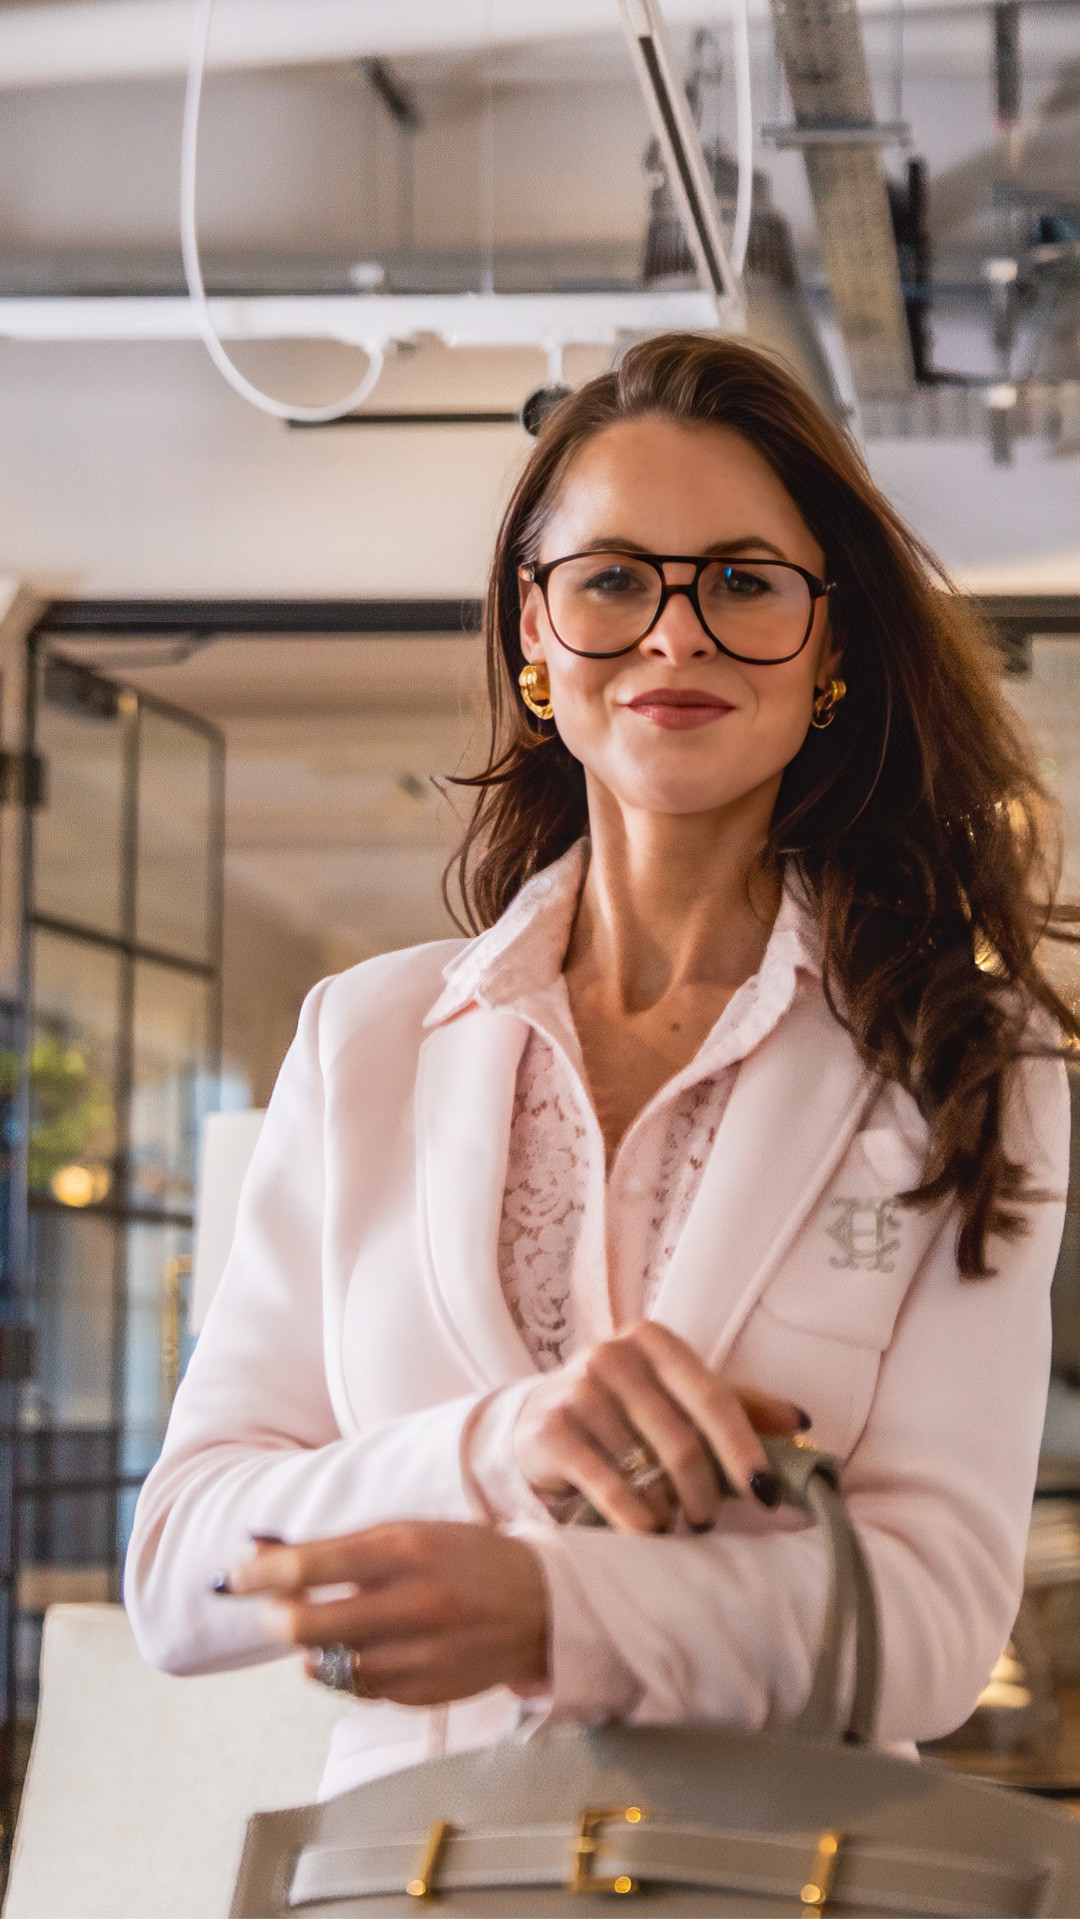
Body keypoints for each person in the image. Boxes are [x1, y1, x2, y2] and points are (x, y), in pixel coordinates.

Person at [125, 332, 1074, 1801]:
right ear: (533, 632)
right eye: (616, 579)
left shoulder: (968, 1060)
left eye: (745, 583)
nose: (676, 638)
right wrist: (498, 1446)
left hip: (770, 1883)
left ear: (829, 650)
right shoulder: (363, 1040)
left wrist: (561, 1613)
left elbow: (939, 1621)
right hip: (408, 1881)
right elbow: (183, 1567)